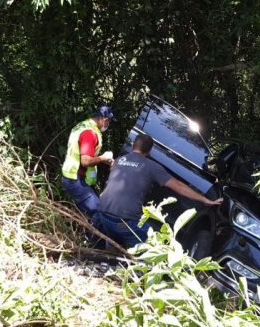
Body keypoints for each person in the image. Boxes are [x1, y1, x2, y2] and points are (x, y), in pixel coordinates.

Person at [95, 133, 223, 248]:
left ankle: (110, 251)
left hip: (101, 214)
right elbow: (178, 186)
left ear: (133, 145)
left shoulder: (118, 161)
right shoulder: (151, 166)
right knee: (153, 243)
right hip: (123, 222)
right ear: (150, 152)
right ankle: (141, 265)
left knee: (115, 235)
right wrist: (205, 199)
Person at [60, 105, 115, 217]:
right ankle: (92, 235)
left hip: (71, 175)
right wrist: (103, 157)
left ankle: (79, 232)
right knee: (97, 212)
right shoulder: (90, 133)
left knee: (84, 213)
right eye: (109, 122)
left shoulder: (83, 125)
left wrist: (103, 161)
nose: (108, 125)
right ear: (105, 120)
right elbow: (85, 161)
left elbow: (84, 153)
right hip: (74, 179)